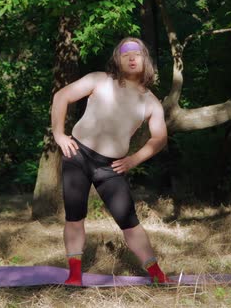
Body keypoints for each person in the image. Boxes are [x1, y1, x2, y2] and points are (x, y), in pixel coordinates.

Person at [51, 37, 169, 286]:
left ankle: (156, 273)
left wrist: (134, 159)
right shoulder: (99, 79)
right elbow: (61, 97)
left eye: (137, 53)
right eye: (126, 53)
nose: (132, 57)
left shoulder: (150, 101)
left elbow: (159, 138)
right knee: (74, 216)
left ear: (146, 60)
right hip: (78, 155)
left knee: (129, 221)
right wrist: (59, 135)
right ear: (117, 59)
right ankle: (74, 274)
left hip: (111, 167)